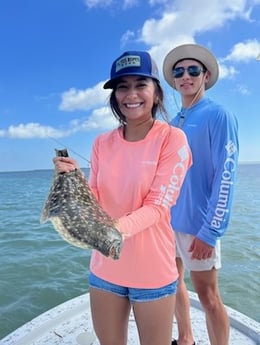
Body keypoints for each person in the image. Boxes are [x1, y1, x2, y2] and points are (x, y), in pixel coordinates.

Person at [54, 50, 192, 345]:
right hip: (105, 270)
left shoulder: (173, 139)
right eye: (122, 86)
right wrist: (74, 180)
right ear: (115, 95)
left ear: (156, 93)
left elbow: (157, 206)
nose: (131, 94)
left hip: (152, 272)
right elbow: (95, 198)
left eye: (140, 84)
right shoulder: (102, 142)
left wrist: (113, 230)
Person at [162, 44, 239, 345]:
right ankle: (186, 339)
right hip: (168, 224)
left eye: (193, 70)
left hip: (199, 225)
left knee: (208, 296)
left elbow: (227, 174)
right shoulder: (171, 124)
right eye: (179, 71)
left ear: (205, 76)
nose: (186, 76)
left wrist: (211, 231)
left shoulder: (219, 115)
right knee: (172, 283)